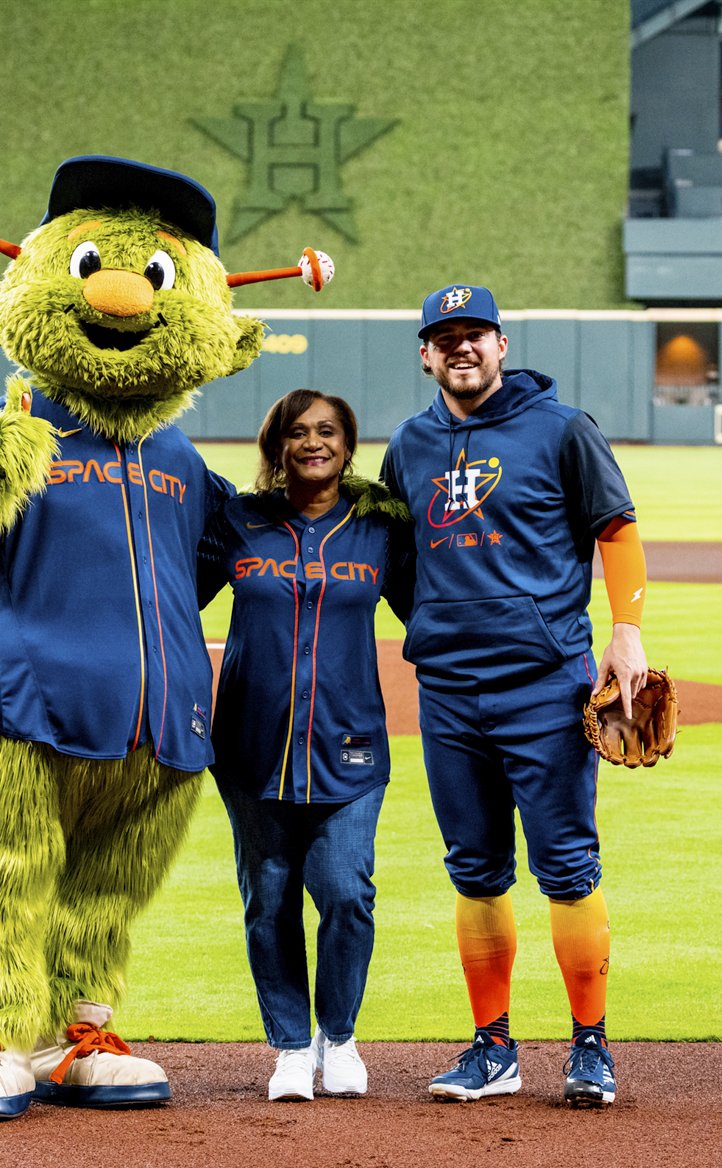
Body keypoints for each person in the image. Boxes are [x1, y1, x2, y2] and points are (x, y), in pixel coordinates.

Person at [380, 285, 650, 1108]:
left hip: (544, 687)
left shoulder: (562, 429)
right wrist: (438, 621)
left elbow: (616, 527)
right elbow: (397, 559)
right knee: (475, 869)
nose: (460, 347)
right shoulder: (411, 444)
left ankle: (590, 1046)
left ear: (502, 344)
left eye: (474, 334)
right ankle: (493, 1048)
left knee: (566, 866)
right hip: (450, 694)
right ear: (426, 354)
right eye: (444, 337)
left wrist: (626, 630)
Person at [198, 388, 412, 1102]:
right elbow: (168, 596)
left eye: (327, 431)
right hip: (252, 745)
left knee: (347, 892)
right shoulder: (239, 521)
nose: (312, 442)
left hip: (350, 745)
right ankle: (292, 1046)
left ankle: (340, 1037)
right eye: (296, 432)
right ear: (276, 447)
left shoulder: (380, 527)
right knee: (269, 898)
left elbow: (437, 613)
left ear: (349, 446)